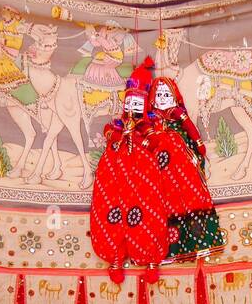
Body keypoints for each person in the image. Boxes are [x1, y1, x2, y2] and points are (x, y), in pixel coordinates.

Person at [89, 58, 171, 283]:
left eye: (138, 104)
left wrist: (144, 138)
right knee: (111, 209)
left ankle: (151, 259)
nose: (133, 108)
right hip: (114, 172)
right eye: (130, 103)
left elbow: (158, 142)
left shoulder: (151, 126)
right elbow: (109, 135)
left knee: (148, 210)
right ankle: (114, 258)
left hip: (143, 174)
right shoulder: (116, 125)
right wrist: (119, 136)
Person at [148, 74, 223, 259]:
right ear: (152, 98)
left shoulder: (178, 115)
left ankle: (201, 244)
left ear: (175, 97)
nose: (163, 98)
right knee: (165, 207)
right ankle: (169, 251)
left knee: (194, 200)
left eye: (167, 94)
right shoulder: (151, 119)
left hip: (185, 172)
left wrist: (198, 144)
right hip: (162, 175)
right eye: (159, 94)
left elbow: (190, 130)